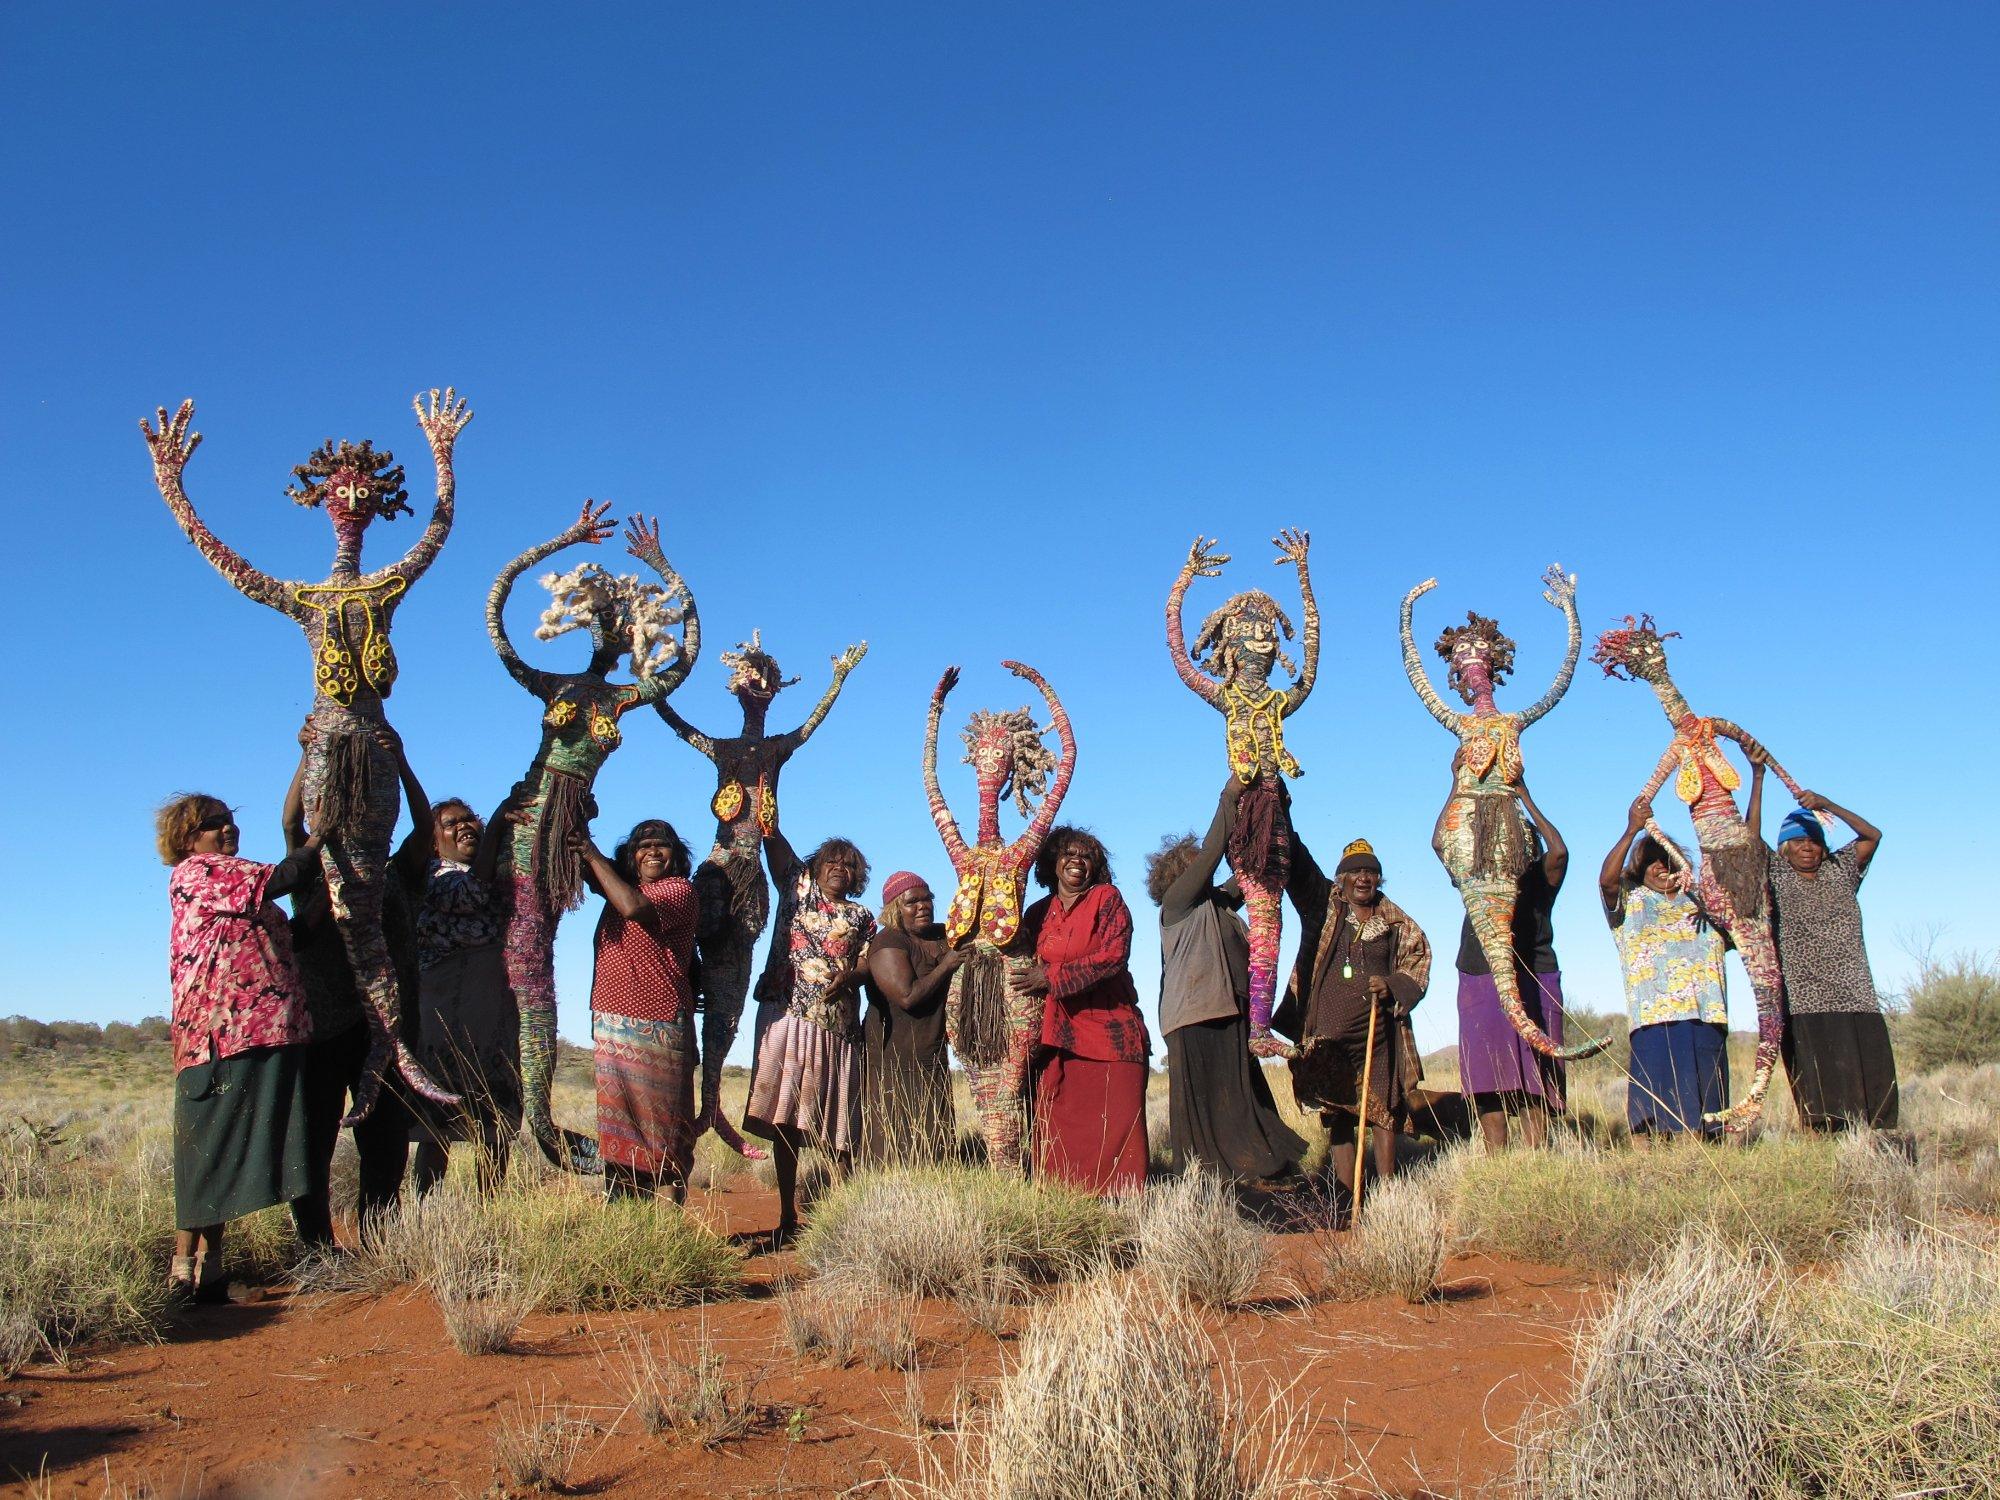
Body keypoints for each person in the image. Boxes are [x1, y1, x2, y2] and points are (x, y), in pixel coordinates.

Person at [157, 792, 321, 1303]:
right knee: (207, 1153)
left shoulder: (240, 894)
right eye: (214, 823)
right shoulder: (199, 873)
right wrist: (322, 836)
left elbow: (292, 937)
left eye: (230, 821)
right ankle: (181, 1274)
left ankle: (210, 1275)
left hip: (261, 1033)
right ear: (187, 839)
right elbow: (286, 875)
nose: (227, 829)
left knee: (224, 1151)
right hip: (219, 1039)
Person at [283, 728, 422, 1245]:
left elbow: (425, 827)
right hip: (321, 1025)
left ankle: (379, 1237)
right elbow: (290, 822)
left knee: (385, 1138)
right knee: (314, 1135)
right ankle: (316, 1245)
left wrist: (401, 763)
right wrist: (307, 755)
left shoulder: (395, 874)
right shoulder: (311, 869)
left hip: (384, 1029)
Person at [1151, 784, 1305, 1183]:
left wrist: (1275, 812)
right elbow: (1212, 852)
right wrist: (1229, 797)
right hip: (1195, 1014)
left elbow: (1254, 867)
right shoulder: (1177, 903)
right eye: (1192, 865)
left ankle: (1260, 1170)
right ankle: (1213, 1181)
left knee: (1242, 1099)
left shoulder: (1219, 904)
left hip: (1231, 1012)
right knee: (1212, 1103)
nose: (1203, 869)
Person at [1276, 835, 1430, 1219]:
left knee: (1384, 1111)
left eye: (1371, 872)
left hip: (1377, 1035)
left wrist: (1392, 985)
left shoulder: (1394, 920)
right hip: (1331, 1035)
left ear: (1379, 879)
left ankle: (1388, 1197)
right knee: (1341, 1113)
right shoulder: (1325, 909)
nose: (1363, 878)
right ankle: (1346, 1199)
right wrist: (1283, 825)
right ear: (1341, 878)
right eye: (1355, 872)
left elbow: (1419, 956)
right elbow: (1301, 867)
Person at [743, 830, 876, 1244]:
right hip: (787, 1016)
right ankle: (787, 1214)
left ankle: (841, 1219)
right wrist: (764, 797)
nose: (839, 869)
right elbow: (771, 836)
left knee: (838, 1123)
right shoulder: (797, 889)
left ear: (857, 877)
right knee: (786, 1118)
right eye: (831, 862)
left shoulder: (862, 916)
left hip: (838, 1027)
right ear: (815, 867)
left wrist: (851, 976)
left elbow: (868, 964)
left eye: (849, 865)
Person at [1017, 828, 1151, 1195]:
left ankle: (1120, 1200)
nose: (1077, 861)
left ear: (1096, 866)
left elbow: (1113, 956)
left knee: (1117, 1121)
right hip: (1058, 1033)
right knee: (1058, 1120)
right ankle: (1065, 1201)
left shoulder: (1107, 898)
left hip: (1110, 1028)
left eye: (1086, 856)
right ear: (1053, 863)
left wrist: (1051, 977)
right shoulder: (1037, 912)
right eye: (1068, 854)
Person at [579, 820, 702, 1201]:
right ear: (630, 857)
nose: (652, 852)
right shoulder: (620, 888)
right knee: (619, 1131)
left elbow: (633, 908)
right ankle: (625, 1220)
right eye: (642, 846)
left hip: (658, 1023)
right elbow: (588, 870)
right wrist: (580, 820)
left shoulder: (678, 890)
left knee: (663, 1135)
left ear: (675, 855)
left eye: (661, 845)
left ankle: (666, 1226)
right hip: (612, 1020)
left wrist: (589, 851)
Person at [408, 792, 520, 1197]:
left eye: (469, 819)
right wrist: (498, 823)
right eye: (451, 824)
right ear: (433, 840)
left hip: (495, 1010)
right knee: (438, 1119)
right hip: (447, 1012)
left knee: (496, 1119)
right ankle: (426, 1208)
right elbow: (469, 895)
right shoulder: (435, 875)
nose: (464, 827)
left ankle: (490, 1207)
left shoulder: (502, 874)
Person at [1600, 799, 1730, 1142]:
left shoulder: (1705, 902)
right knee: (1650, 1116)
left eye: (1668, 859)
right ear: (1639, 869)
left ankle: (1705, 1161)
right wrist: (1632, 828)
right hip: (1654, 1019)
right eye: (1652, 862)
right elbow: (1607, 882)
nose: (1661, 867)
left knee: (1705, 1117)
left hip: (1706, 1016)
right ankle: (1649, 1165)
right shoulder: (1632, 899)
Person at [1764, 791, 1893, 1131]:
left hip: (1856, 993)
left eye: (1814, 841)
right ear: (1784, 848)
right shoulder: (1777, 875)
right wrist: (1758, 778)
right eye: (1798, 841)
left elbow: (1872, 835)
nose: (1807, 847)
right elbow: (1749, 839)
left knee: (1871, 1085)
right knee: (1818, 1088)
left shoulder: (1840, 870)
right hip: (1805, 998)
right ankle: (1820, 1142)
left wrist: (1828, 806)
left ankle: (1870, 1140)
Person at [1451, 783, 1570, 1150]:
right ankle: (1497, 1159)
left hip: (1535, 974)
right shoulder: (1474, 872)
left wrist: (1524, 796)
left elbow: (1560, 851)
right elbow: (1441, 843)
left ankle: (1536, 1157)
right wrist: (1457, 784)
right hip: (1480, 974)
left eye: (1515, 836)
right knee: (1487, 1077)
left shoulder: (1539, 876)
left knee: (1537, 1075)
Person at [859, 872, 966, 1166]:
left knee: (936, 1134)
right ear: (896, 908)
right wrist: (946, 965)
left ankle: (936, 1182)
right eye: (912, 902)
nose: (923, 906)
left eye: (927, 899)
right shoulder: (889, 942)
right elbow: (906, 996)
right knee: (894, 1135)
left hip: (931, 1049)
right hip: (895, 1053)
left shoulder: (940, 934)